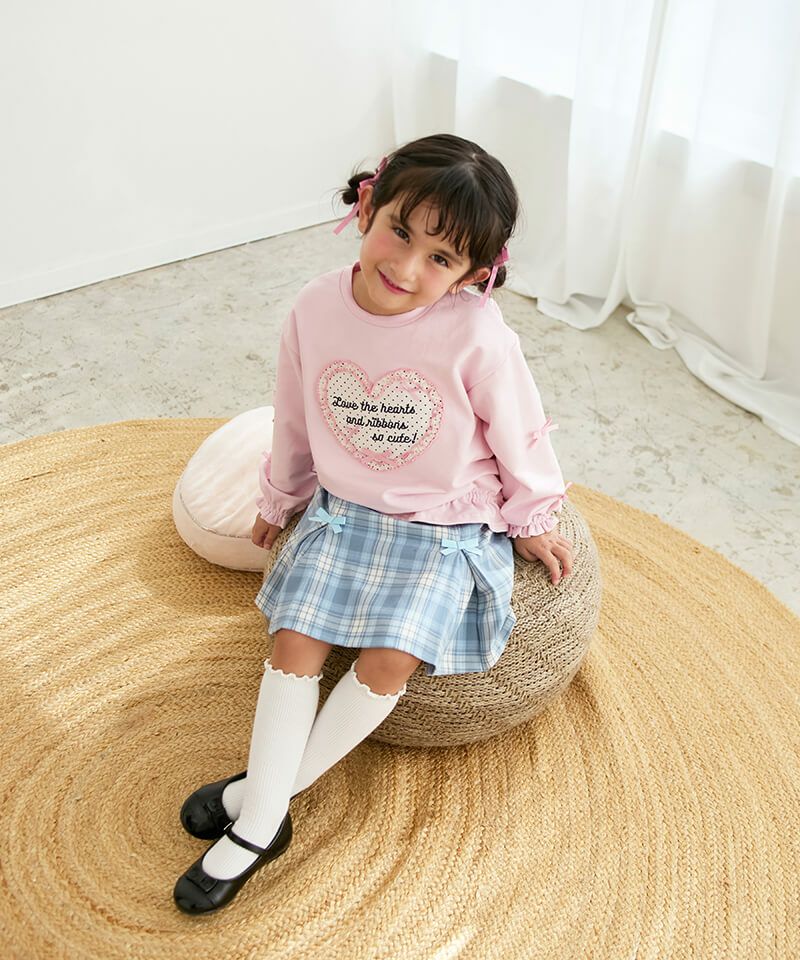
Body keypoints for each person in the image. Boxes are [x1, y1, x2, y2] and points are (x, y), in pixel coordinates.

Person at [173, 133, 575, 914]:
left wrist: (531, 515)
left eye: (440, 258)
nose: (407, 266)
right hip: (347, 511)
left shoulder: (477, 334)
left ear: (472, 275)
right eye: (400, 231)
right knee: (293, 641)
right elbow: (295, 415)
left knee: (391, 659)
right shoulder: (315, 308)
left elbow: (518, 427)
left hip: (447, 523)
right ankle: (265, 812)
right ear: (368, 208)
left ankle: (257, 816)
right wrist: (278, 497)